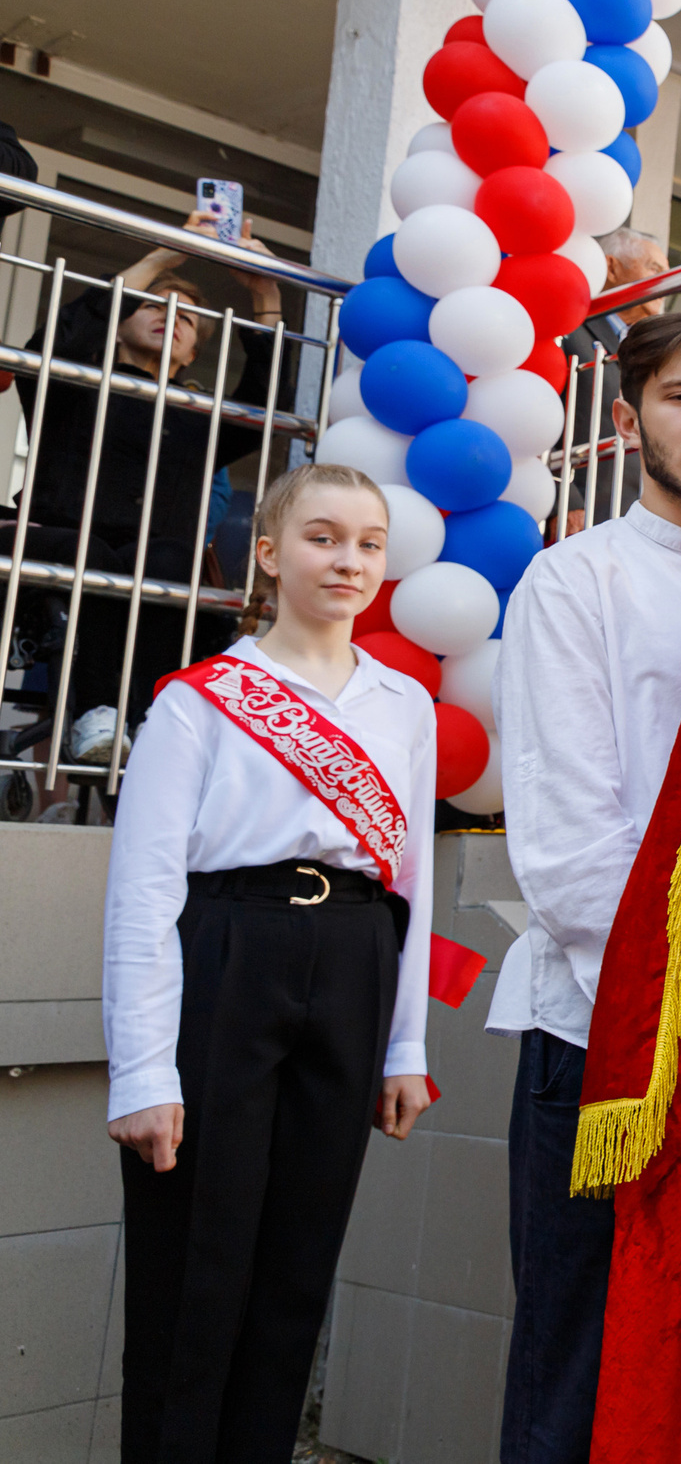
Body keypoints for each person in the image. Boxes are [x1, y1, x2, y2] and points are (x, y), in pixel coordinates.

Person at [102, 462, 435, 1463]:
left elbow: (409, 881)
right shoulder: (203, 701)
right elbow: (144, 891)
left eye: (369, 543)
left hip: (355, 956)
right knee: (193, 1267)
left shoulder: (403, 703)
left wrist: (404, 1044)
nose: (348, 561)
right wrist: (142, 1068)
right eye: (323, 537)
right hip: (231, 949)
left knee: (298, 1267)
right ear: (270, 553)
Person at [488, 313, 681, 1464]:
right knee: (581, 1358)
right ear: (627, 417)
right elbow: (566, 846)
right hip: (612, 1034)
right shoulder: (573, 581)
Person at [11, 210, 291, 750]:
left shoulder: (197, 415)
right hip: (54, 544)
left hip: (155, 562)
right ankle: (97, 714)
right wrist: (164, 255)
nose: (171, 315)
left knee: (167, 561)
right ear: (117, 325)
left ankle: (149, 723)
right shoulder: (73, 379)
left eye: (187, 319)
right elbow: (58, 338)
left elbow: (268, 395)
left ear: (192, 354)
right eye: (152, 305)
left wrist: (266, 292)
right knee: (96, 553)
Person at [556, 229, 670, 532]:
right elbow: (541, 418)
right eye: (655, 269)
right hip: (583, 515)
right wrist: (563, 501)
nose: (667, 284)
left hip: (639, 521)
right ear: (612, 267)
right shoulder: (569, 331)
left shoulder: (654, 352)